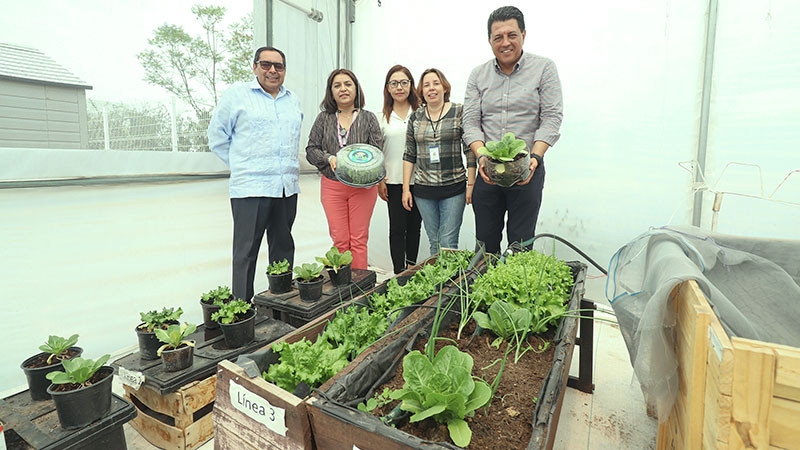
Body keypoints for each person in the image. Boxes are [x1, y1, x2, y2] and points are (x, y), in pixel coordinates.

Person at [463, 5, 563, 254]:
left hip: (526, 171)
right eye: (498, 37)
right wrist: (482, 155)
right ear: (489, 40)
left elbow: (551, 117)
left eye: (512, 35)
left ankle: (513, 289)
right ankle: (485, 288)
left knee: (521, 243)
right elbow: (471, 122)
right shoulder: (478, 75)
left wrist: (536, 158)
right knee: (485, 245)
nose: (505, 42)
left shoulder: (544, 69)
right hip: (489, 171)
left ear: (524, 35)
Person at [207, 46, 303, 302]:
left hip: (286, 187)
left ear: (284, 70)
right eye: (266, 64)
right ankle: (242, 309)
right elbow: (216, 138)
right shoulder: (237, 96)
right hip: (250, 188)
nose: (272, 70)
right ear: (255, 67)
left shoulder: (292, 100)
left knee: (283, 249)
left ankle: (280, 303)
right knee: (245, 253)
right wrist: (242, 165)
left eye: (278, 66)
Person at [306, 69, 384, 270]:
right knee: (340, 240)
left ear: (356, 89)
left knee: (358, 240)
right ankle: (341, 291)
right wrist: (328, 157)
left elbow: (377, 151)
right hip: (332, 186)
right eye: (337, 85)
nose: (343, 89)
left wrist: (360, 165)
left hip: (363, 187)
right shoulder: (323, 119)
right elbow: (311, 150)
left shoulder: (369, 118)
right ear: (330, 92)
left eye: (348, 84)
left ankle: (359, 289)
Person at [403, 68, 476, 256]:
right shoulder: (415, 117)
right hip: (423, 191)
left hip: (454, 188)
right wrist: (405, 190)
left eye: (436, 83)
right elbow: (409, 154)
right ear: (421, 91)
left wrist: (471, 183)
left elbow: (469, 150)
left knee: (448, 242)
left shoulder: (459, 111)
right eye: (426, 85)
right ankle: (438, 285)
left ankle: (450, 283)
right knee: (434, 242)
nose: (431, 88)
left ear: (444, 87)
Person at [378, 65, 423, 274]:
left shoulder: (421, 113)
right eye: (394, 83)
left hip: (420, 180)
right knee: (397, 229)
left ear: (411, 85)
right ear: (388, 88)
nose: (399, 87)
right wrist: (380, 180)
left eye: (404, 82)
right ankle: (399, 273)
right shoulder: (383, 117)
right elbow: (378, 151)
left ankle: (411, 269)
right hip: (393, 181)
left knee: (415, 227)